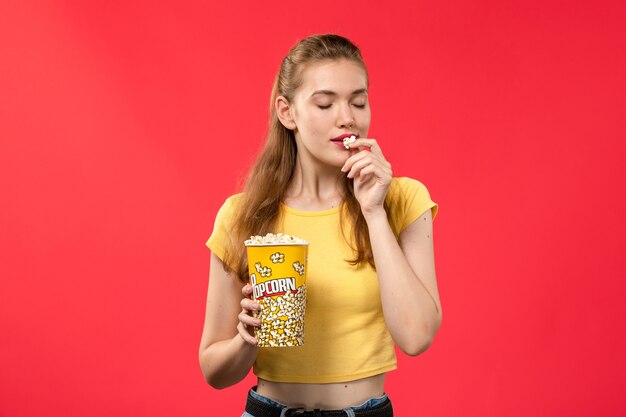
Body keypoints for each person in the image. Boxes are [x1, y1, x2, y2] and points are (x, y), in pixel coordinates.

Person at [199, 34, 442, 417]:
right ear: (287, 112)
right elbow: (214, 371)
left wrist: (374, 211)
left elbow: (416, 337)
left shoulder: (402, 199)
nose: (347, 117)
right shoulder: (241, 215)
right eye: (326, 103)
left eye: (358, 102)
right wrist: (246, 339)